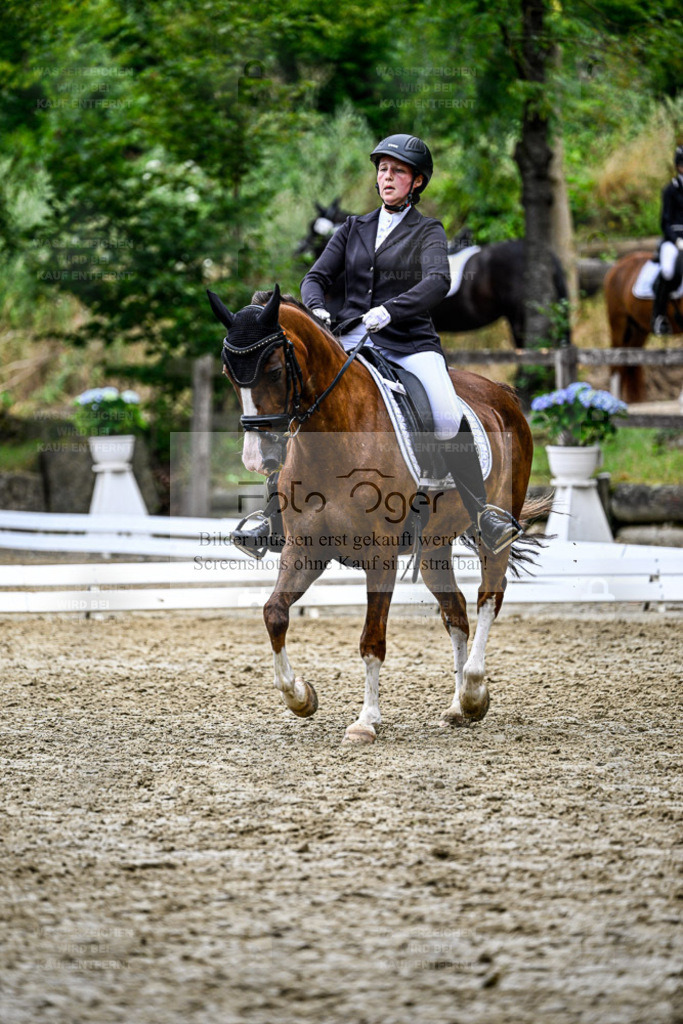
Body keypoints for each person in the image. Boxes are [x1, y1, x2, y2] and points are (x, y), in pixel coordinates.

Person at [232, 133, 522, 557]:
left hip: (409, 342)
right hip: (351, 339)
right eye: (383, 170)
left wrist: (392, 310)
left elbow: (438, 282)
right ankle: (272, 518)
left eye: (397, 171)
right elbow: (315, 278)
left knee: (443, 413)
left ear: (417, 182)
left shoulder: (428, 231)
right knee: (302, 404)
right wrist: (318, 310)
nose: (387, 177)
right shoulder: (353, 227)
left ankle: (483, 515)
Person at [652, 145, 683, 336]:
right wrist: (677, 240)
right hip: (673, 241)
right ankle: (659, 316)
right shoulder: (670, 190)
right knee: (668, 269)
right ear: (679, 166)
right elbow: (665, 222)